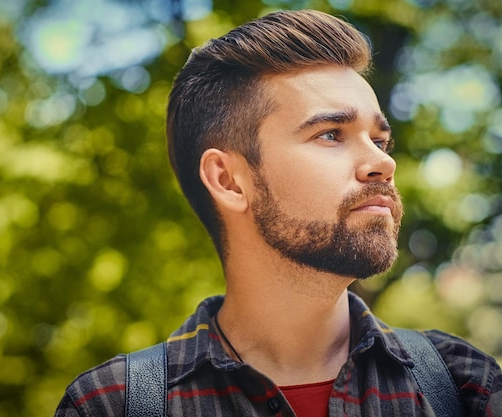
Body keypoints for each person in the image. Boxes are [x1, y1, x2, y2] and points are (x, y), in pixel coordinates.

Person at [54, 9, 502, 416]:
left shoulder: (463, 386)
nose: (383, 163)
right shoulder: (111, 406)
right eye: (331, 134)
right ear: (229, 180)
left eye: (379, 140)